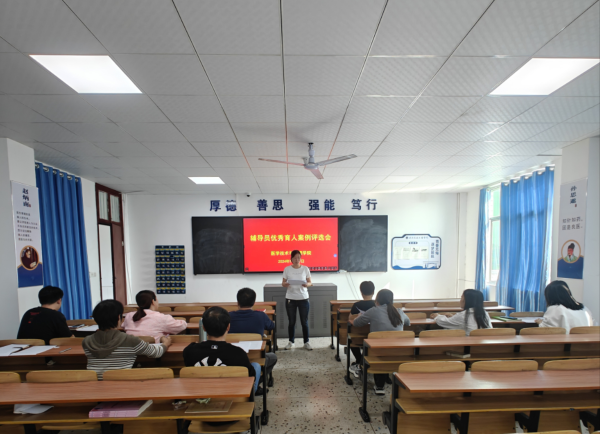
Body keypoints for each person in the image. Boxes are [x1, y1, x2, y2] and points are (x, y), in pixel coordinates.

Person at [83, 300, 171, 380]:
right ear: (119, 318)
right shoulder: (129, 340)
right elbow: (156, 353)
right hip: (121, 385)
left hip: (95, 385)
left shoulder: (86, 341)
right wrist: (165, 343)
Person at [183, 306, 262, 395]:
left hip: (198, 395)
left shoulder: (189, 351)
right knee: (256, 366)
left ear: (203, 327)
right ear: (228, 327)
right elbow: (251, 377)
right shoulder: (238, 353)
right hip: (233, 397)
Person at [350, 289, 410, 395]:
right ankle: (383, 381)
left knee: (374, 348)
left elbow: (356, 323)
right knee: (385, 348)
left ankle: (377, 384)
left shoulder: (374, 311)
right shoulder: (399, 311)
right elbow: (408, 323)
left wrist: (359, 316)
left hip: (378, 352)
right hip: (398, 352)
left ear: (377, 300)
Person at [230, 288, 277, 383]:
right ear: (254, 302)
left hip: (233, 357)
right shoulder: (261, 316)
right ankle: (258, 379)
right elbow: (271, 326)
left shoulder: (228, 316)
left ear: (237, 302)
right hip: (256, 356)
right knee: (273, 357)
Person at [122, 290, 186, 342]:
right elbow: (181, 326)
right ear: (153, 301)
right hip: (154, 351)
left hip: (131, 350)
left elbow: (124, 327)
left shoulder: (129, 315)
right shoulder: (161, 318)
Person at [282, 250, 313, 350]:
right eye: (295, 257)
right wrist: (286, 284)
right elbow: (283, 283)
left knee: (304, 322)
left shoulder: (305, 269)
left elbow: (310, 283)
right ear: (291, 259)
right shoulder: (287, 269)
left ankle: (306, 342)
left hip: (303, 298)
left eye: (298, 257)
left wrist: (306, 284)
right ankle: (291, 342)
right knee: (291, 322)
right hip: (290, 298)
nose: (297, 259)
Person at [347, 281, 376, 378]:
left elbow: (350, 320)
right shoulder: (377, 305)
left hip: (358, 337)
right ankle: (361, 361)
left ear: (361, 292)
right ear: (373, 292)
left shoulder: (356, 305)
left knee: (350, 337)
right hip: (374, 336)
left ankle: (359, 360)